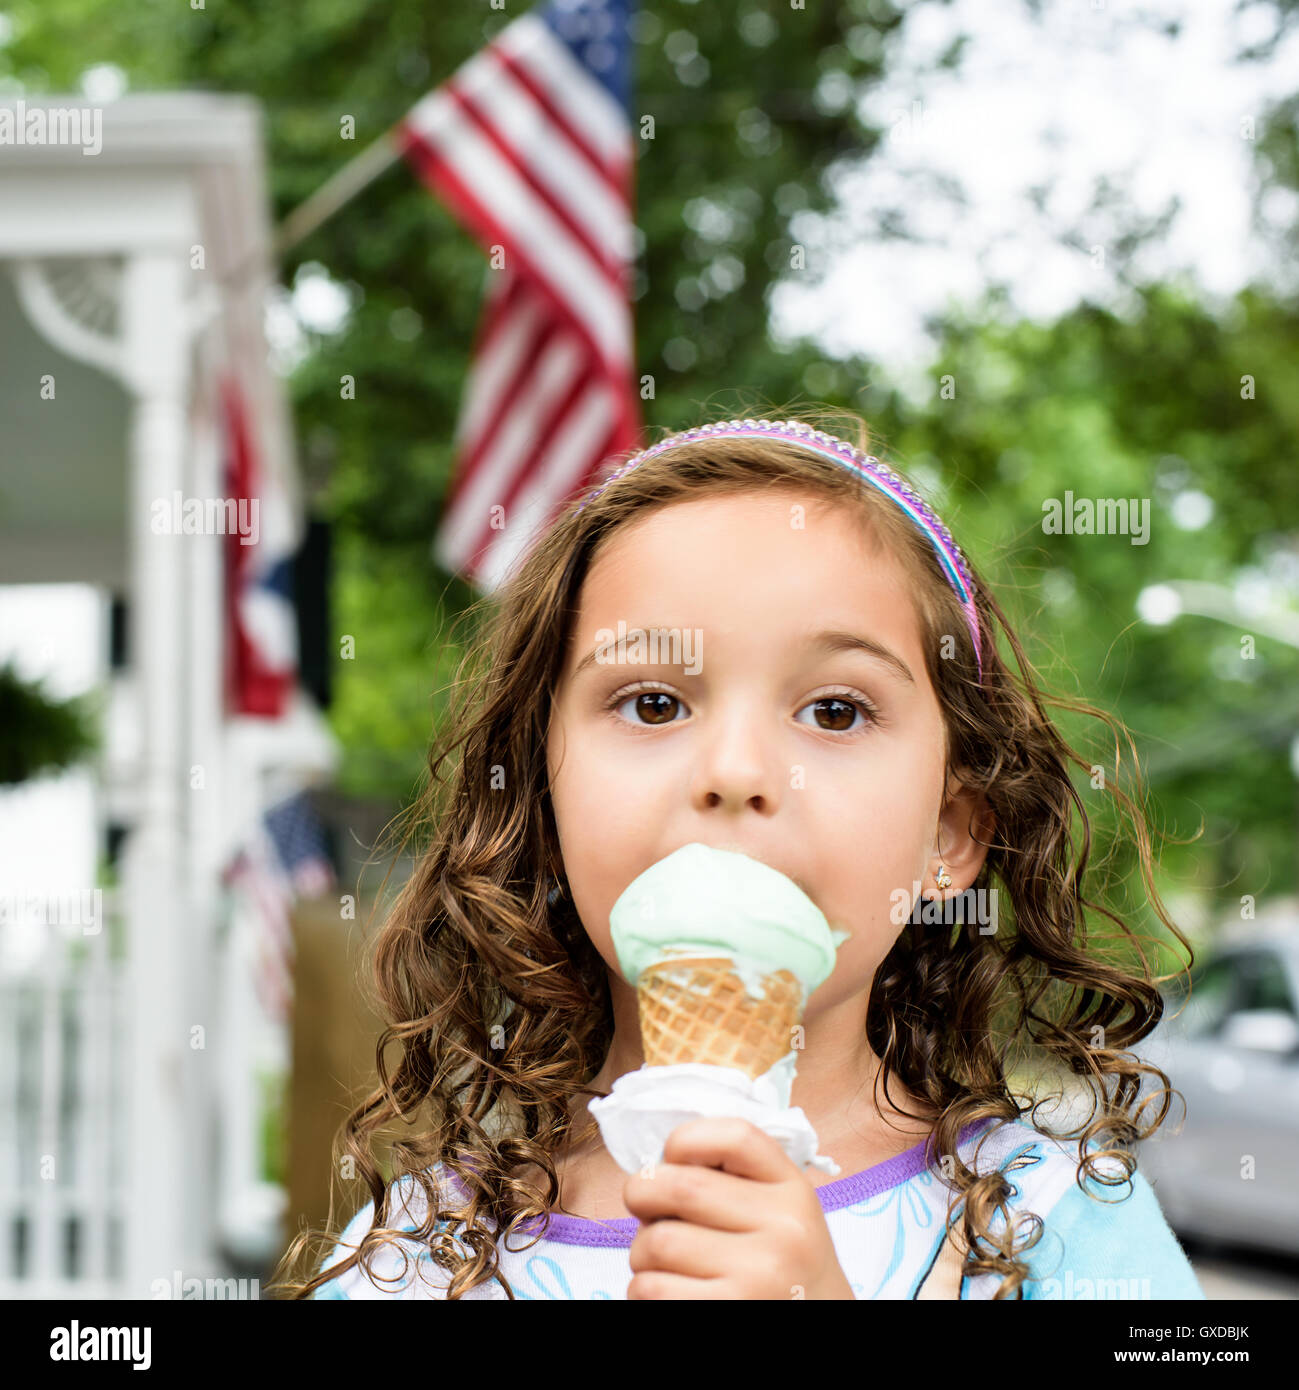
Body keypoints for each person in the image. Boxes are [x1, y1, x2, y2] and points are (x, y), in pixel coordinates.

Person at [273, 408, 1205, 1300]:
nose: (734, 771)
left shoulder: (1055, 1219)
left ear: (947, 836)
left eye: (834, 710)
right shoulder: (424, 1251)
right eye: (651, 703)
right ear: (545, 805)